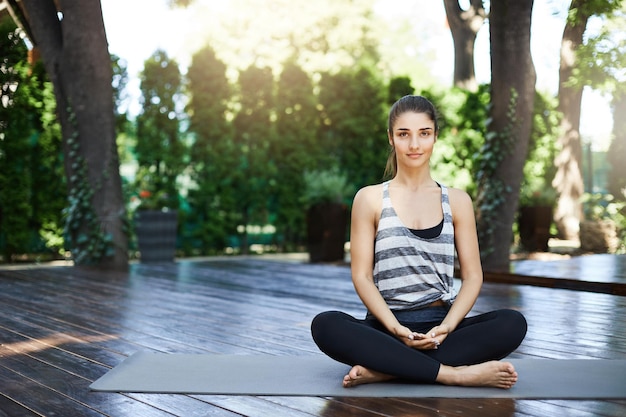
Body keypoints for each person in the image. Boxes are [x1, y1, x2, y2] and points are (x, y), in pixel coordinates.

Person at [310, 95, 527, 389]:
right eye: (404, 134)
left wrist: (447, 327)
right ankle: (453, 374)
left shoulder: (457, 201)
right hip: (385, 327)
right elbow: (361, 276)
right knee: (326, 325)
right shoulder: (369, 198)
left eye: (424, 133)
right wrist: (395, 328)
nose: (414, 145)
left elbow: (474, 276)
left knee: (512, 323)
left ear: (435, 136)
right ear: (391, 138)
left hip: (440, 328)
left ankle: (387, 369)